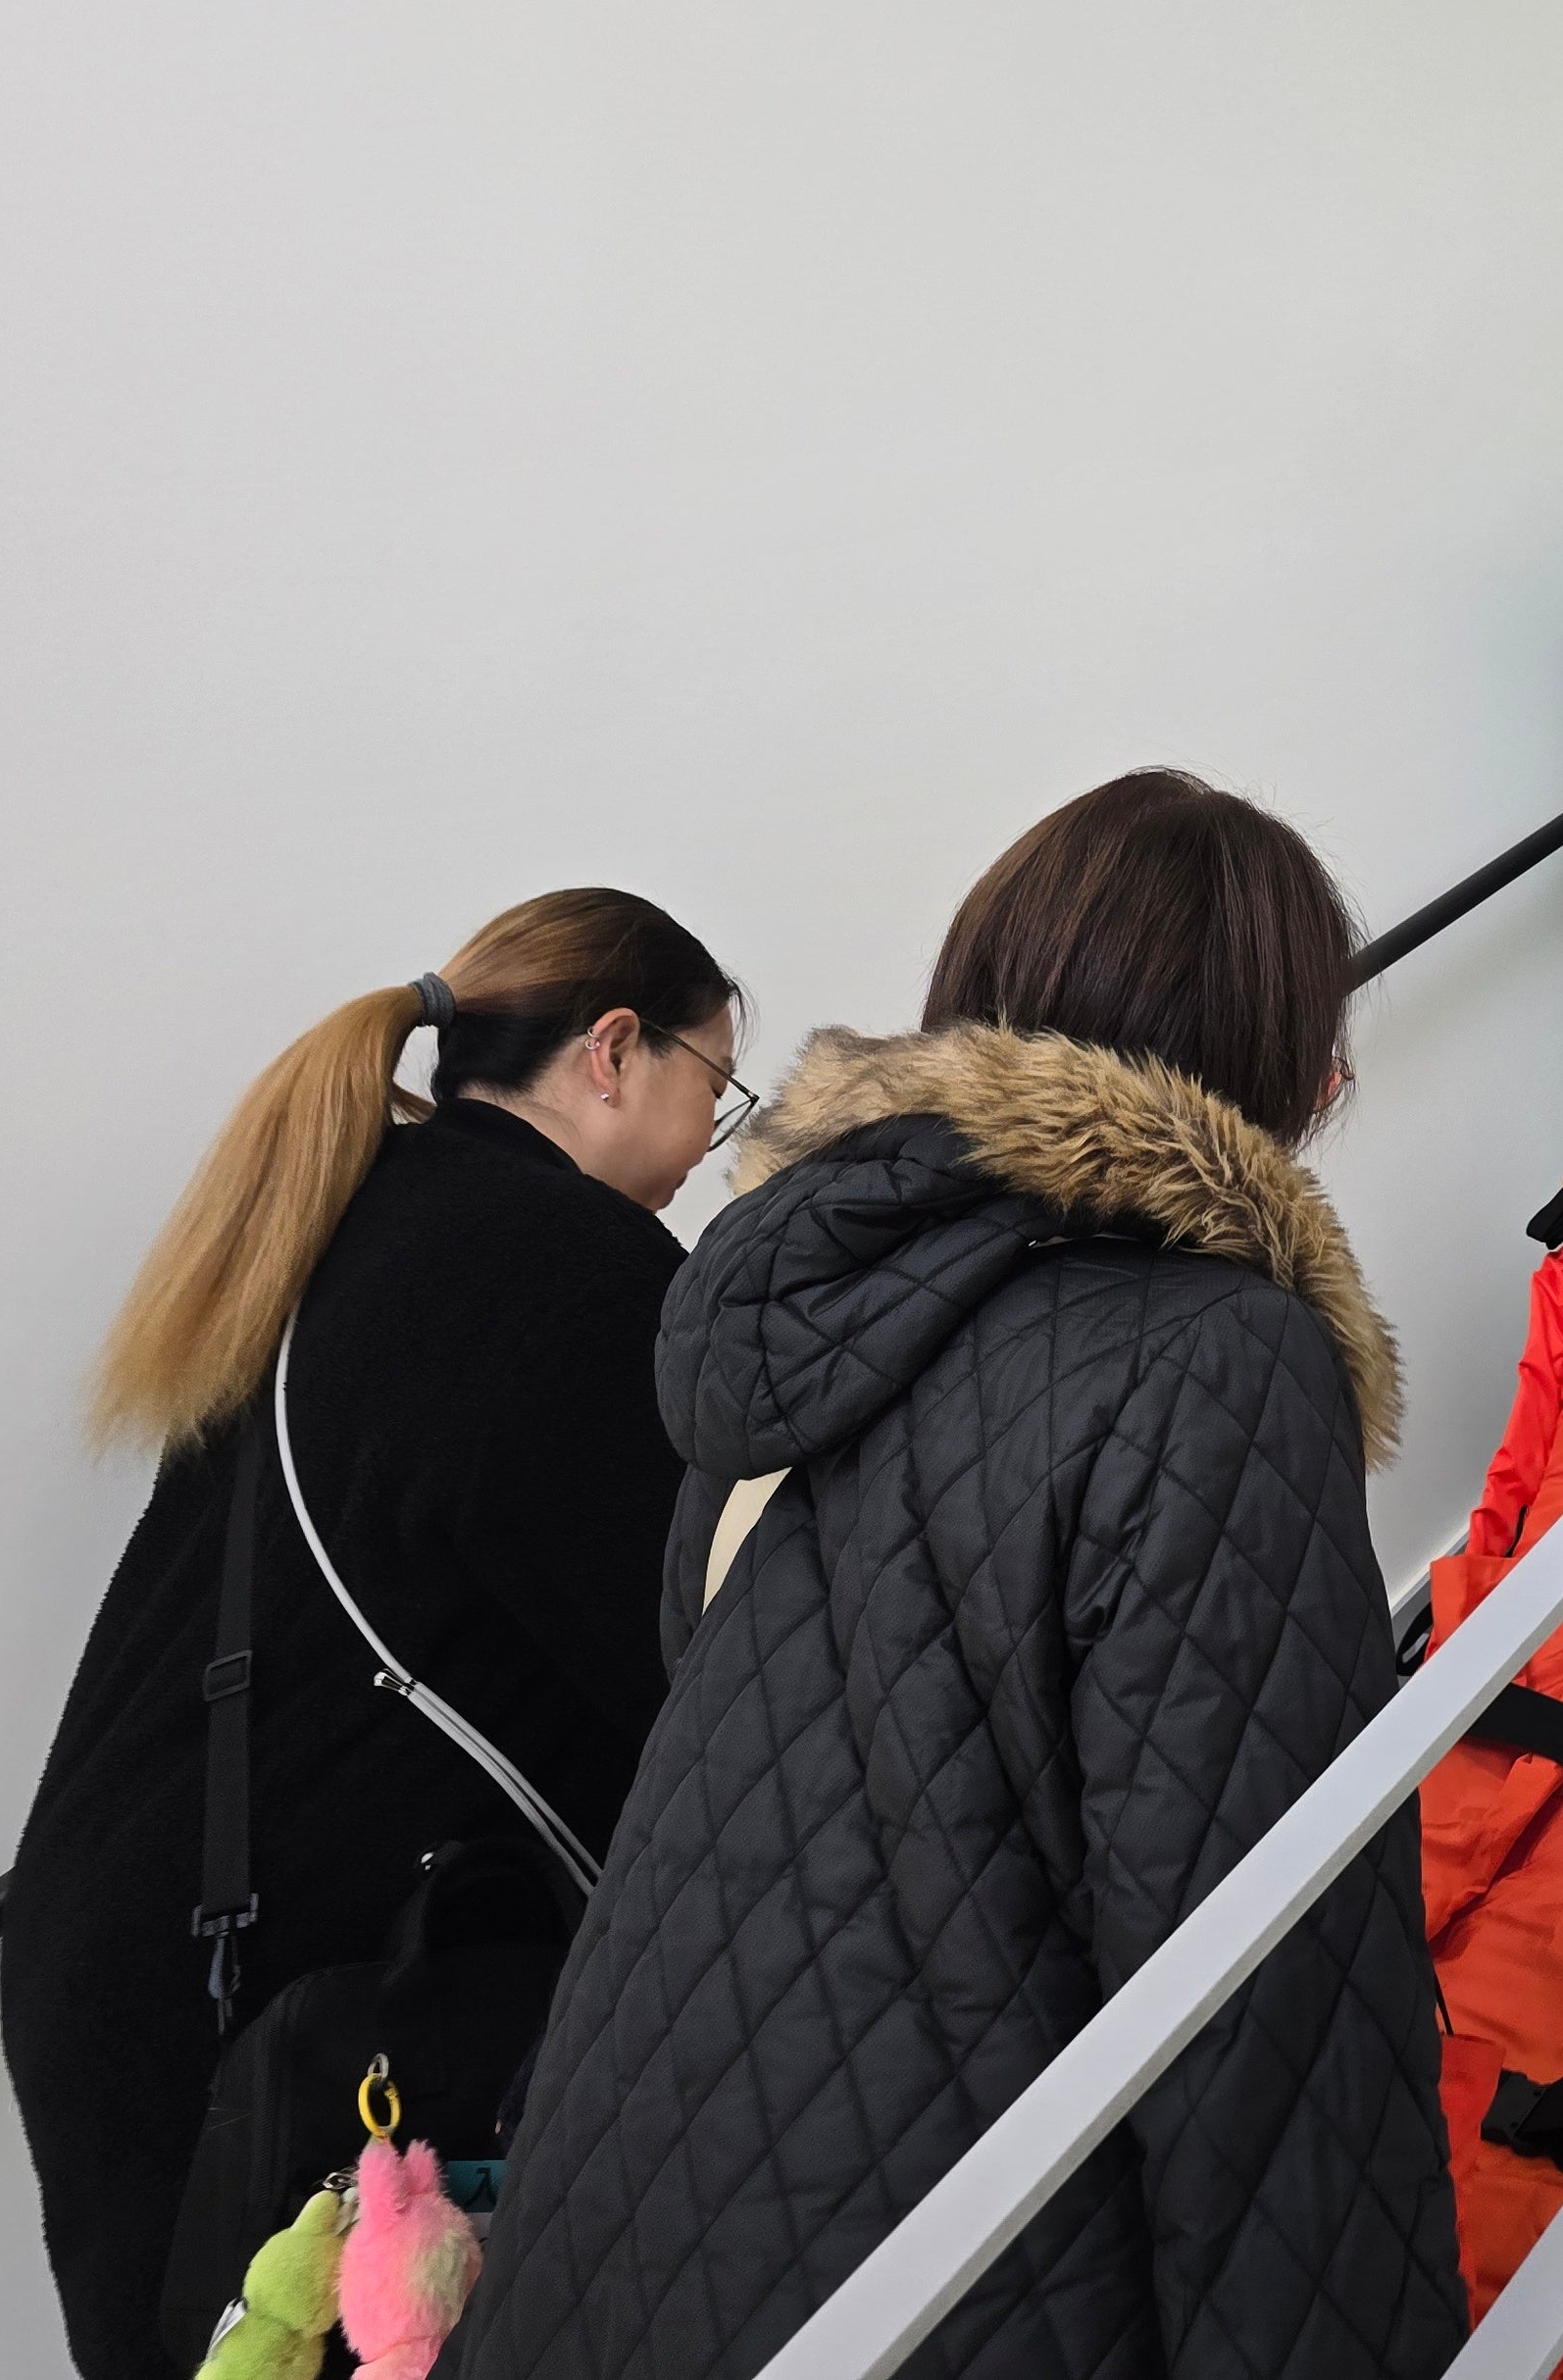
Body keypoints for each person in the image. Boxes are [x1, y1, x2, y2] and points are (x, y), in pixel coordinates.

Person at [455, 772, 1464, 2380]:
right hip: (941, 2292)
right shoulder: (1214, 1358)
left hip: (613, 2250)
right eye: (1319, 1039)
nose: (1333, 1083)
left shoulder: (800, 1331)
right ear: (1259, 1054)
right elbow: (1273, 2007)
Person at [3, 889, 748, 2380]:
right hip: (284, 2005)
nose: (709, 1147)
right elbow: (696, 1666)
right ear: (614, 1051)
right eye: (715, 1090)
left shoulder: (357, 1219)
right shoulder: (560, 1262)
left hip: (136, 1957)